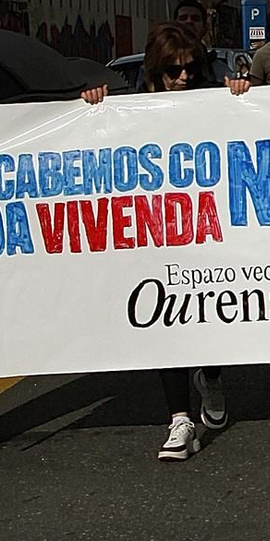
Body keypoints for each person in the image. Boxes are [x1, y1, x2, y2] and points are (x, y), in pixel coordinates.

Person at [81, 25, 248, 458]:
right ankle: (180, 420)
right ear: (156, 71)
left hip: (211, 226)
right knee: (166, 321)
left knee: (213, 316)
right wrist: (94, 110)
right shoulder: (132, 108)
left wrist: (241, 92)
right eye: (173, 70)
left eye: (191, 68)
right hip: (159, 230)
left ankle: (210, 377)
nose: (184, 77)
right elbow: (95, 148)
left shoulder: (216, 96)